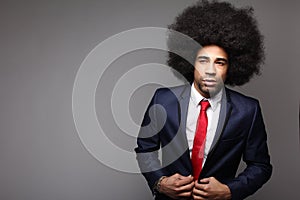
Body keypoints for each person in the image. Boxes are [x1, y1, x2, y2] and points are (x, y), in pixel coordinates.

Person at [135, 1, 272, 200]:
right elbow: (145, 149)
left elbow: (261, 166)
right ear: (190, 62)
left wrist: (229, 190)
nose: (210, 70)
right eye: (203, 60)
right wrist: (160, 182)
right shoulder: (163, 100)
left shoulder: (248, 110)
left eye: (220, 62)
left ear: (231, 68)